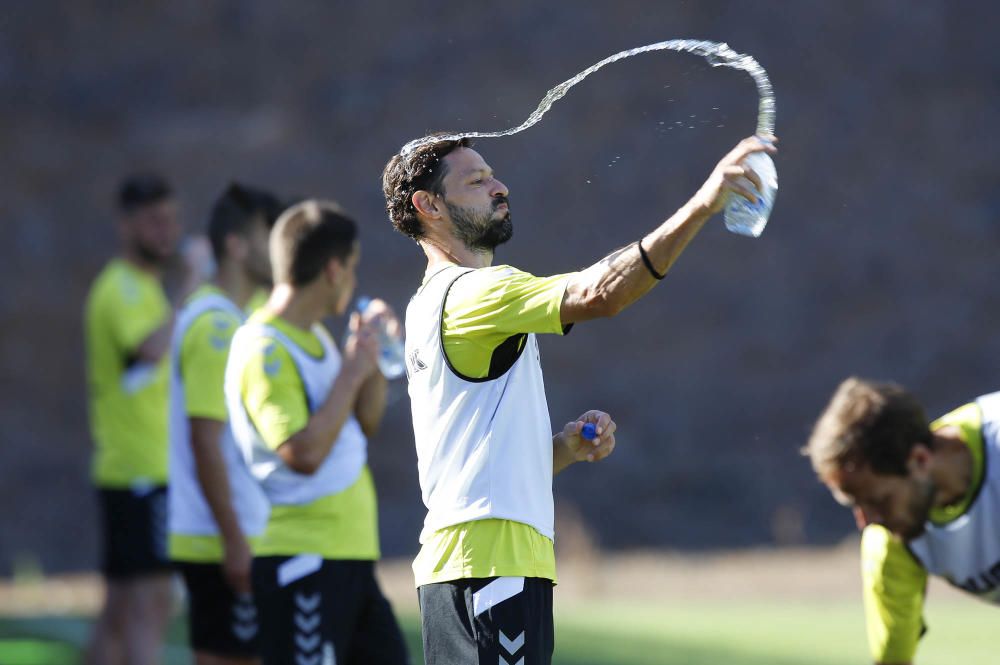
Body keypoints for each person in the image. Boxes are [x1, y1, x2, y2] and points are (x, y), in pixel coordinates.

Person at [380, 133, 774, 664]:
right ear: (428, 206)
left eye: (492, 175)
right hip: (492, 566)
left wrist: (564, 448)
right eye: (476, 181)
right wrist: (704, 204)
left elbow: (475, 471)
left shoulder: (431, 301)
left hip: (474, 564)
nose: (500, 187)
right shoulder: (474, 293)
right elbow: (598, 293)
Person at [225, 200, 410, 665]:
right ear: (333, 269)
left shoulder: (317, 338)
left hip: (350, 558)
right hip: (301, 561)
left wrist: (371, 357)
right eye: (352, 267)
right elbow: (301, 453)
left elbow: (363, 425)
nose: (353, 280)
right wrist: (351, 372)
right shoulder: (263, 347)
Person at [84, 173, 203, 665]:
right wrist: (193, 282)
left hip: (142, 472)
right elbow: (151, 350)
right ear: (127, 225)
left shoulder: (148, 288)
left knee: (119, 614)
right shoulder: (120, 289)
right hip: (139, 472)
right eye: (154, 221)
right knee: (148, 608)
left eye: (171, 220)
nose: (166, 231)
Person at [167, 183, 284, 665]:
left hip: (238, 532)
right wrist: (234, 541)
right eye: (268, 236)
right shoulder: (215, 326)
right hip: (220, 540)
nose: (278, 249)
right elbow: (205, 441)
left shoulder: (238, 317)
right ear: (236, 245)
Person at [804, 378, 1000, 665]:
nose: (866, 522)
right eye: (856, 505)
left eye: (877, 501)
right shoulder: (891, 542)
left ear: (920, 460)